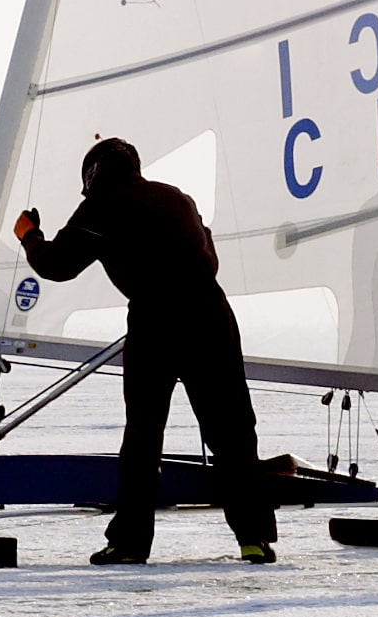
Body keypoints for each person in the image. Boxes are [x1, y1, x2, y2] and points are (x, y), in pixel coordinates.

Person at [15, 136, 277, 565]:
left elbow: (57, 265)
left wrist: (30, 235)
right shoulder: (178, 199)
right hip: (210, 315)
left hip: (156, 321)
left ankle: (130, 544)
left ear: (93, 175)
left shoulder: (101, 204)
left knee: (143, 438)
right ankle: (254, 538)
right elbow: (209, 259)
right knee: (232, 433)